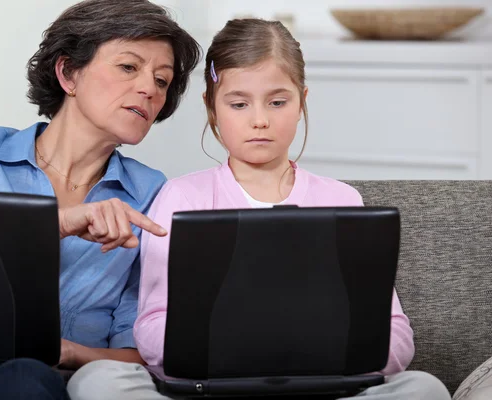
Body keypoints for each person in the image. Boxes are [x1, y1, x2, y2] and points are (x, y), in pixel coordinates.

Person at [66, 18, 452, 400]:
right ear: (212, 108)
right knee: (99, 380)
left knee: (424, 387)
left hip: (324, 386)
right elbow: (151, 327)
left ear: (302, 101)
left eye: (278, 102)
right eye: (238, 104)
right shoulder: (182, 196)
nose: (260, 120)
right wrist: (235, 348)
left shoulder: (342, 200)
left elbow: (395, 332)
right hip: (211, 389)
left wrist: (318, 350)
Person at [0, 0, 201, 398]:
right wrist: (54, 224)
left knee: (24, 379)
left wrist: (72, 352)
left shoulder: (151, 193)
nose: (148, 89)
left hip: (55, 380)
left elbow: (141, 347)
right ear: (68, 73)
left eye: (162, 80)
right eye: (129, 67)